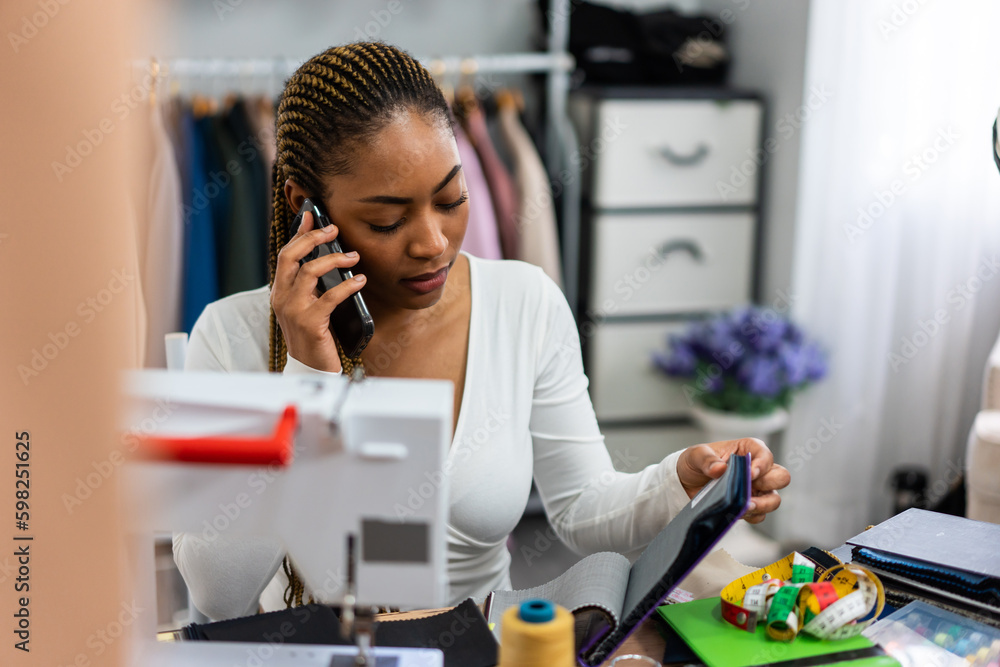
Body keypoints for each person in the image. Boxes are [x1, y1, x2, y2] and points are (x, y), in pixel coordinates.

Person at [173, 41, 791, 621]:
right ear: (308, 208)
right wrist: (306, 379)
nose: (433, 243)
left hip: (480, 645)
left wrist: (676, 481)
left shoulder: (523, 304)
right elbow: (217, 594)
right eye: (387, 221)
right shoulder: (228, 336)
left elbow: (580, 508)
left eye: (450, 200)